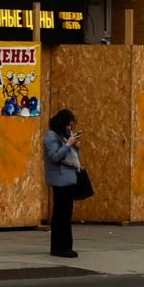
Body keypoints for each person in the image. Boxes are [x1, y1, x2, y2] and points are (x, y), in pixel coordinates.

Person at [43, 108, 85, 258]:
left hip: (69, 179)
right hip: (60, 180)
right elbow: (54, 157)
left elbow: (74, 158)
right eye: (67, 125)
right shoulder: (51, 136)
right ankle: (59, 247)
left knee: (66, 215)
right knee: (60, 215)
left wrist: (75, 147)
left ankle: (66, 246)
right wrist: (67, 145)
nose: (69, 128)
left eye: (71, 126)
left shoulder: (64, 136)